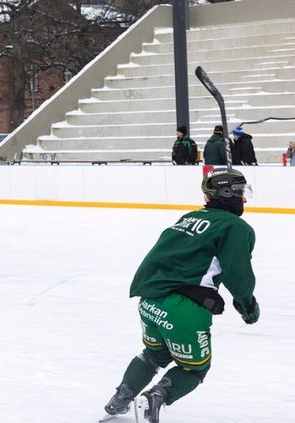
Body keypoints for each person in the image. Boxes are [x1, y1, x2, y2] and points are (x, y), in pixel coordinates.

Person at [102, 168, 258, 422]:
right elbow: (238, 274)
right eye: (240, 193)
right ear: (227, 194)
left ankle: (120, 398)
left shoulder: (189, 218)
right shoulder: (236, 227)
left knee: (154, 354)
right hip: (184, 310)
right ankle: (155, 397)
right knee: (196, 368)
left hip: (149, 302)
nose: (244, 199)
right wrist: (247, 305)